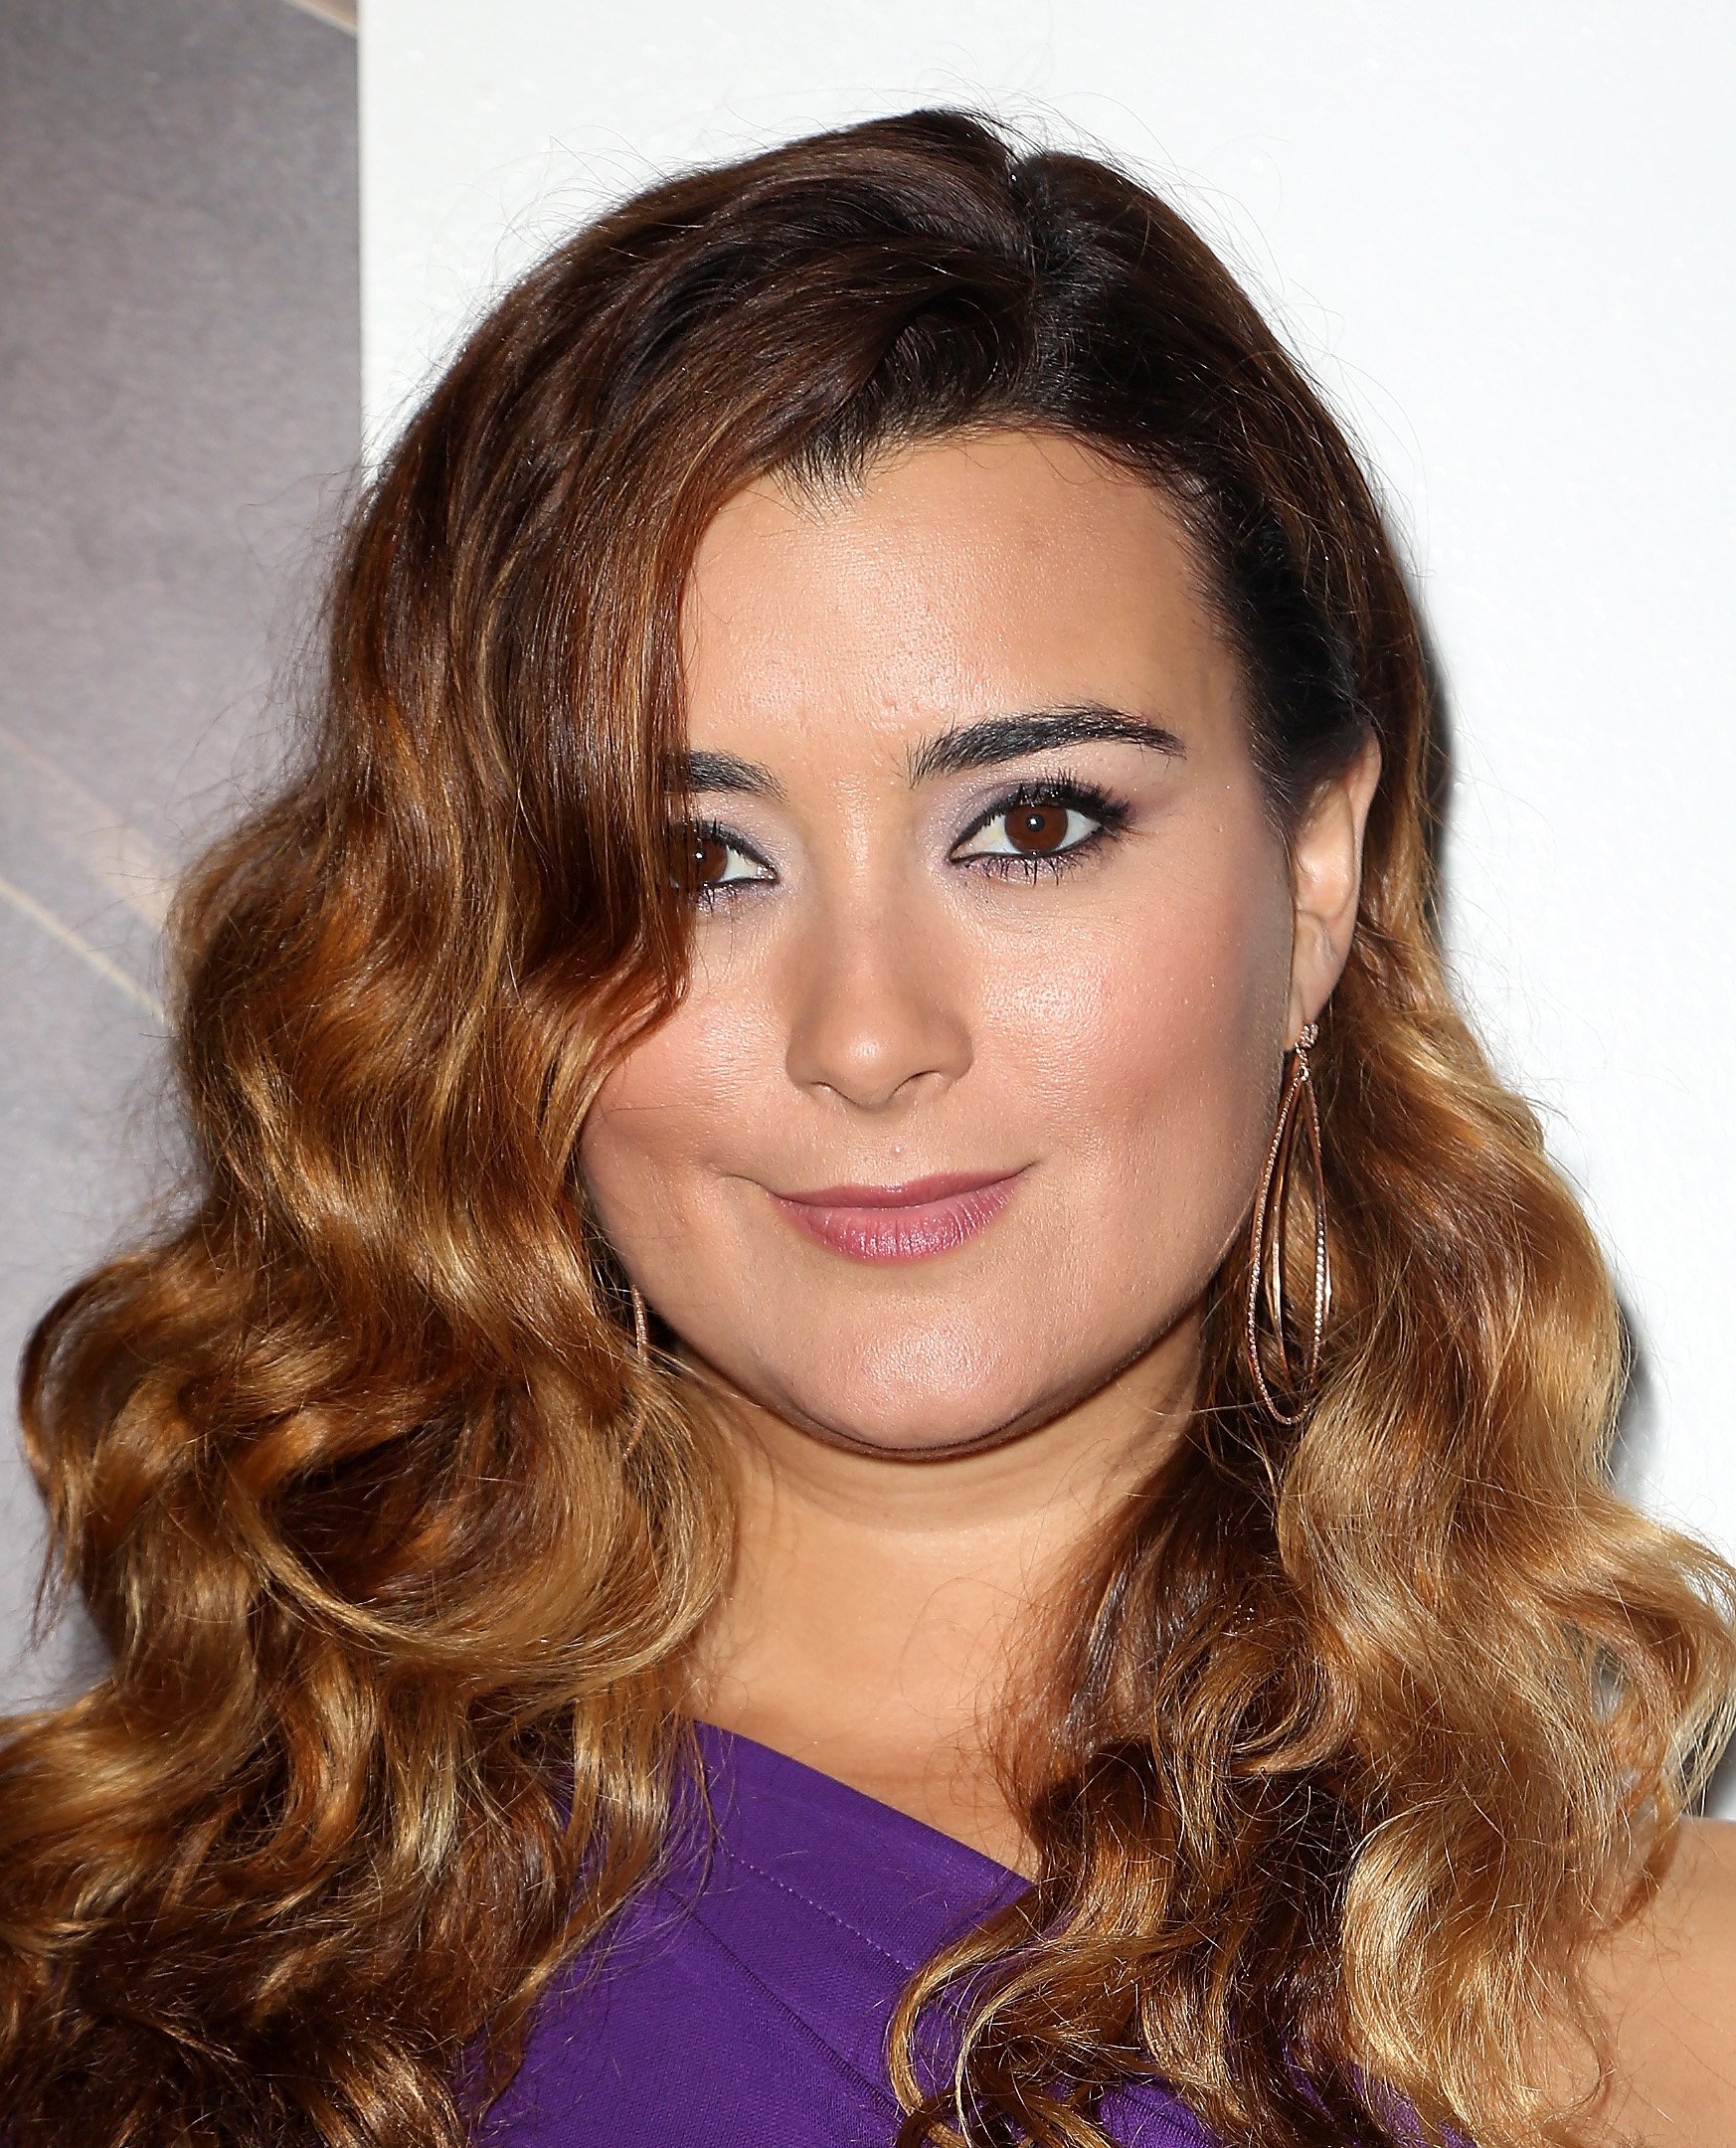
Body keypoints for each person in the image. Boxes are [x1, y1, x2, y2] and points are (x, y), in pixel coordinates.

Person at [2, 107, 1733, 2148]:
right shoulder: (104, 1958)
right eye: (692, 860)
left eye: (1035, 823)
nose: (869, 1037)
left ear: (1321, 876)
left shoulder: (1676, 2021)